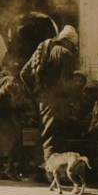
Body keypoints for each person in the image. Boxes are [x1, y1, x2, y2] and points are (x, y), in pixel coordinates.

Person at [20, 25, 78, 162]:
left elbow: (24, 73)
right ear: (70, 42)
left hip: (44, 100)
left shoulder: (43, 49)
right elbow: (66, 84)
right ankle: (50, 174)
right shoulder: (66, 54)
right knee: (53, 138)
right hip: (57, 102)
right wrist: (73, 100)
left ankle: (40, 170)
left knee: (45, 134)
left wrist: (36, 94)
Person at [0, 61, 29, 180]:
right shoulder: (12, 84)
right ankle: (9, 170)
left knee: (1, 143)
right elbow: (15, 104)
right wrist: (25, 105)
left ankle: (3, 172)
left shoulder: (5, 81)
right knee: (13, 142)